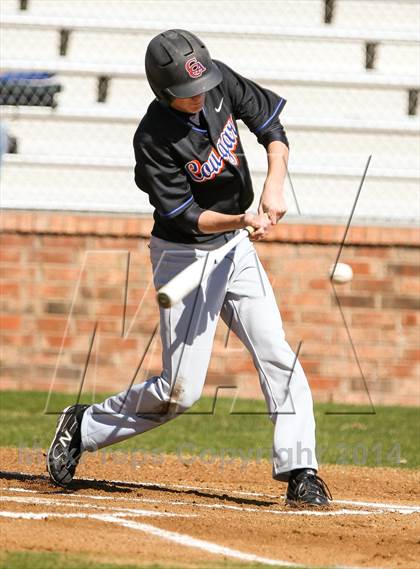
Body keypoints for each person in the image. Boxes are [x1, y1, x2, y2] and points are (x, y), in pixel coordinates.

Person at [46, 30, 331, 506]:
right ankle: (84, 425)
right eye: (186, 94)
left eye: (202, 87)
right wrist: (244, 217)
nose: (199, 97)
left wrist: (275, 184)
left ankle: (301, 468)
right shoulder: (153, 138)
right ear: (163, 92)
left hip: (235, 250)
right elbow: (190, 217)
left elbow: (272, 130)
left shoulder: (217, 83)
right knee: (180, 392)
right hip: (184, 256)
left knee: (276, 351)